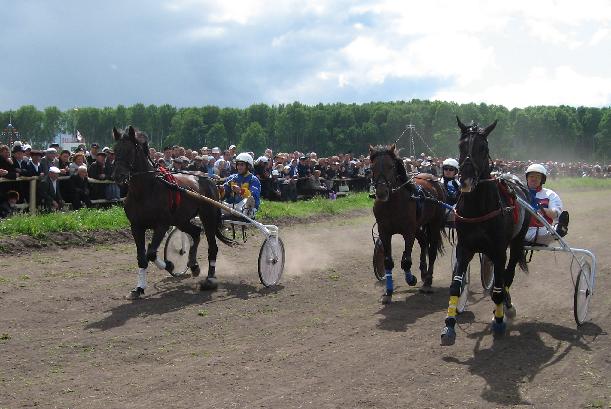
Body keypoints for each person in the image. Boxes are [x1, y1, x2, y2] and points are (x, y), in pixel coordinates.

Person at [525, 163, 569, 244]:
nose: (534, 179)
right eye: (531, 176)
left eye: (537, 177)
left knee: (556, 230)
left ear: (542, 180)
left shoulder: (550, 194)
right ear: (527, 178)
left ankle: (559, 230)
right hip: (518, 230)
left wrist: (544, 210)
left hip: (539, 231)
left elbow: (556, 214)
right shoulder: (517, 192)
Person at [222, 153, 261, 217]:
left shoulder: (253, 180)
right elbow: (225, 193)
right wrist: (221, 190)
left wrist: (240, 191)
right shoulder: (231, 178)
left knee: (247, 201)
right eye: (238, 165)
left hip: (247, 209)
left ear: (248, 166)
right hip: (231, 207)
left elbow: (253, 197)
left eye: (242, 165)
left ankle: (238, 209)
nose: (239, 167)